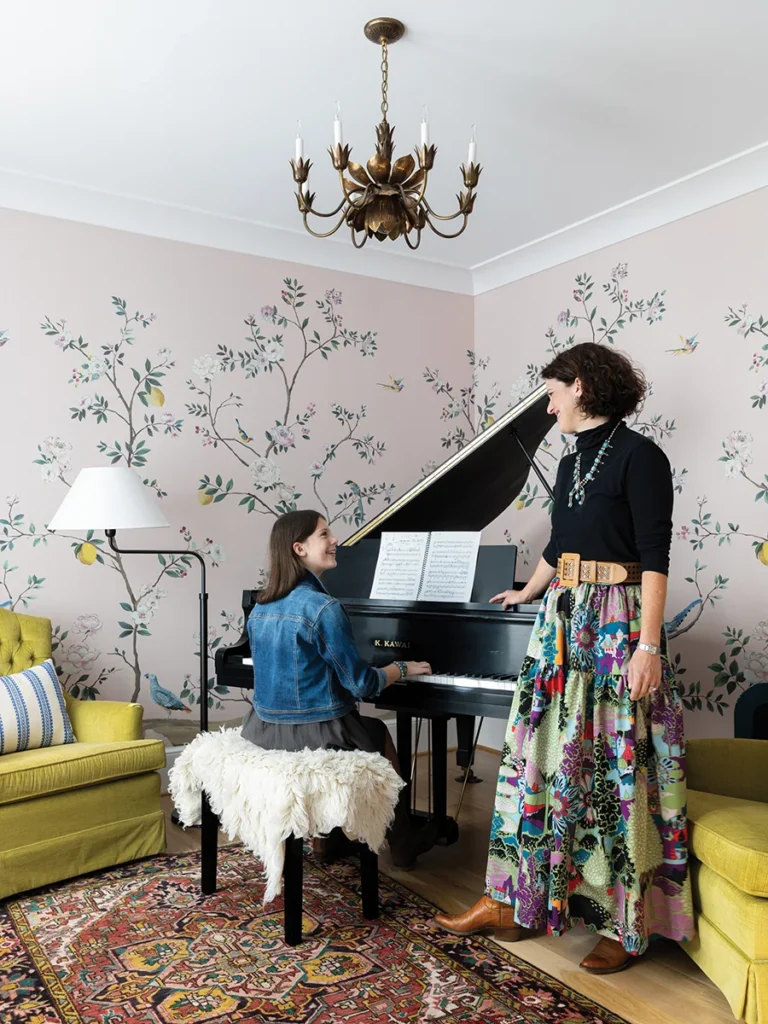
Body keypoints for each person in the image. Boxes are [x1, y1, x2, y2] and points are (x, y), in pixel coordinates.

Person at [434, 342, 695, 974]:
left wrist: (649, 646)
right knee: (537, 761)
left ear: (580, 386)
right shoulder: (571, 459)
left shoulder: (641, 456)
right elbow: (561, 542)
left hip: (614, 624)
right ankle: (514, 901)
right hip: (562, 622)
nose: (546, 403)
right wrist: (528, 590)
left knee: (609, 768)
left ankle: (622, 920)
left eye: (552, 389)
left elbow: (656, 556)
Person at [243, 508, 437, 866]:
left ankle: (333, 840)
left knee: (368, 727)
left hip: (262, 730)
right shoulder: (322, 607)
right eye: (324, 535)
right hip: (313, 736)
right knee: (376, 730)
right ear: (299, 548)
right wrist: (400, 667)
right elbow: (361, 684)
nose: (335, 541)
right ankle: (402, 839)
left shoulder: (262, 606)